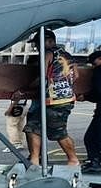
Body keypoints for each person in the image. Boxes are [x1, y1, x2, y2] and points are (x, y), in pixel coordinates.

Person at [21, 35, 78, 167]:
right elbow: (76, 75)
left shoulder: (48, 54)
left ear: (50, 41)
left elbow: (42, 77)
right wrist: (65, 86)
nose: (37, 46)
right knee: (35, 127)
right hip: (65, 98)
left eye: (38, 43)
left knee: (57, 131)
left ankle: (73, 160)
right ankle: (35, 160)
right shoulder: (68, 55)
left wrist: (25, 88)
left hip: (54, 100)